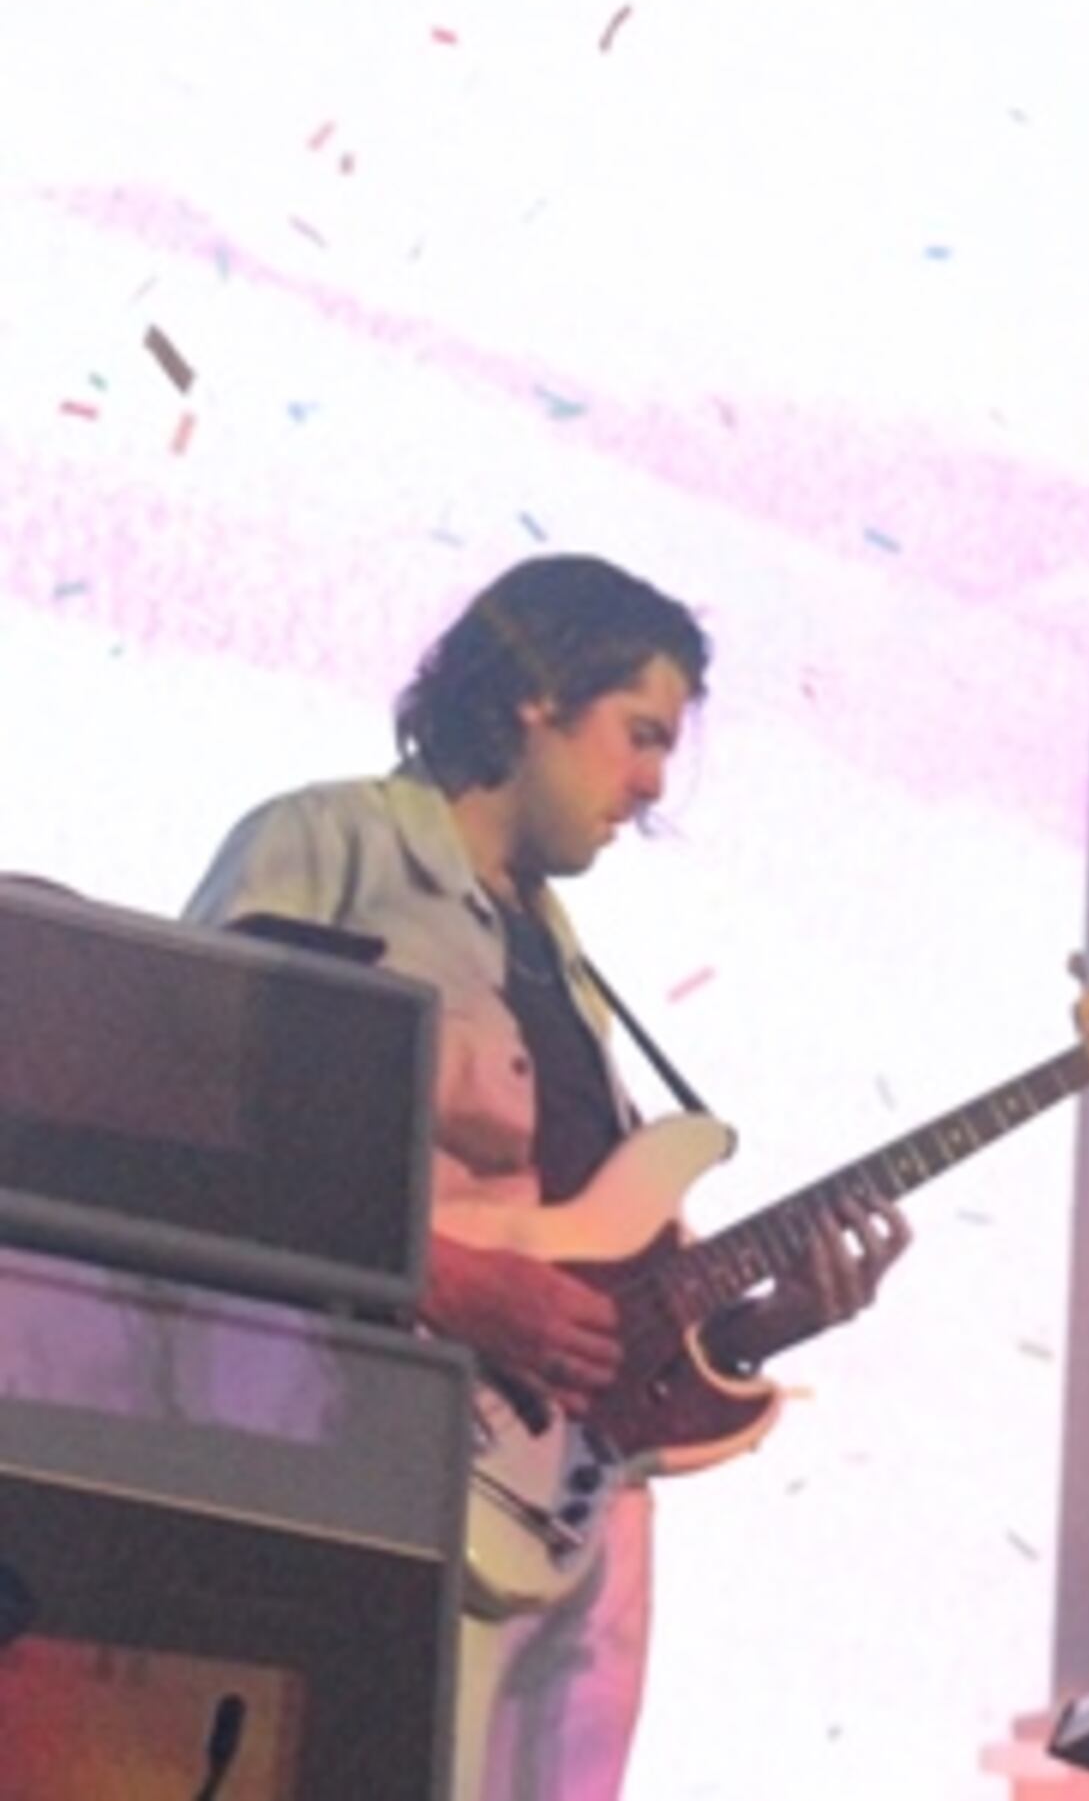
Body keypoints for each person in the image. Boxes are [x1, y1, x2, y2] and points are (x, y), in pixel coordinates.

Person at [185, 554, 906, 1801]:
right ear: (538, 695)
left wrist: (767, 1322)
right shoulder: (329, 843)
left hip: (571, 1530)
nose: (654, 782)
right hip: (365, 1463)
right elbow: (199, 1126)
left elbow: (601, 1299)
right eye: (641, 734)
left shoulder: (565, 970)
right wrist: (441, 1282)